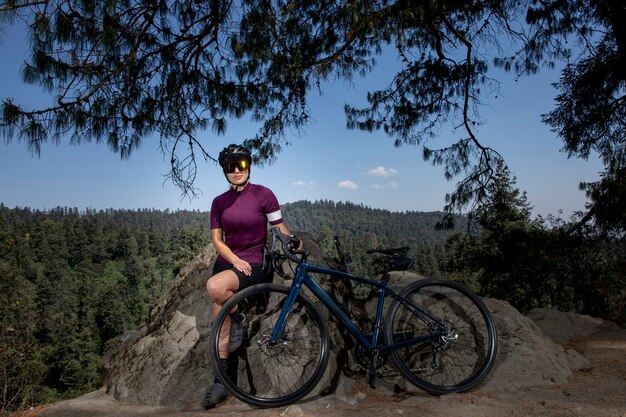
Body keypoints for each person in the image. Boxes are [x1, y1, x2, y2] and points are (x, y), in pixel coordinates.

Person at [202, 143, 297, 409]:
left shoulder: (264, 194)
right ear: (225, 171)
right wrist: (234, 259)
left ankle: (238, 315)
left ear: (249, 165)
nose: (236, 171)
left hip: (255, 263)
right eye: (230, 167)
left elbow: (279, 228)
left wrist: (294, 242)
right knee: (220, 324)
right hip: (229, 263)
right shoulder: (219, 202)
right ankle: (222, 382)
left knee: (215, 288)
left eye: (240, 164)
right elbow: (217, 241)